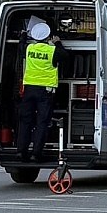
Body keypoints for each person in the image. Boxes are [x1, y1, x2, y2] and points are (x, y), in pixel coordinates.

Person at [17, 21, 66, 162]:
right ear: (48, 37)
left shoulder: (29, 48)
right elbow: (65, 55)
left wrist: (23, 36)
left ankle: (21, 151)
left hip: (29, 89)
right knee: (42, 122)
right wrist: (57, 42)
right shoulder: (52, 51)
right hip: (45, 91)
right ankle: (36, 153)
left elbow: (20, 47)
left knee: (25, 121)